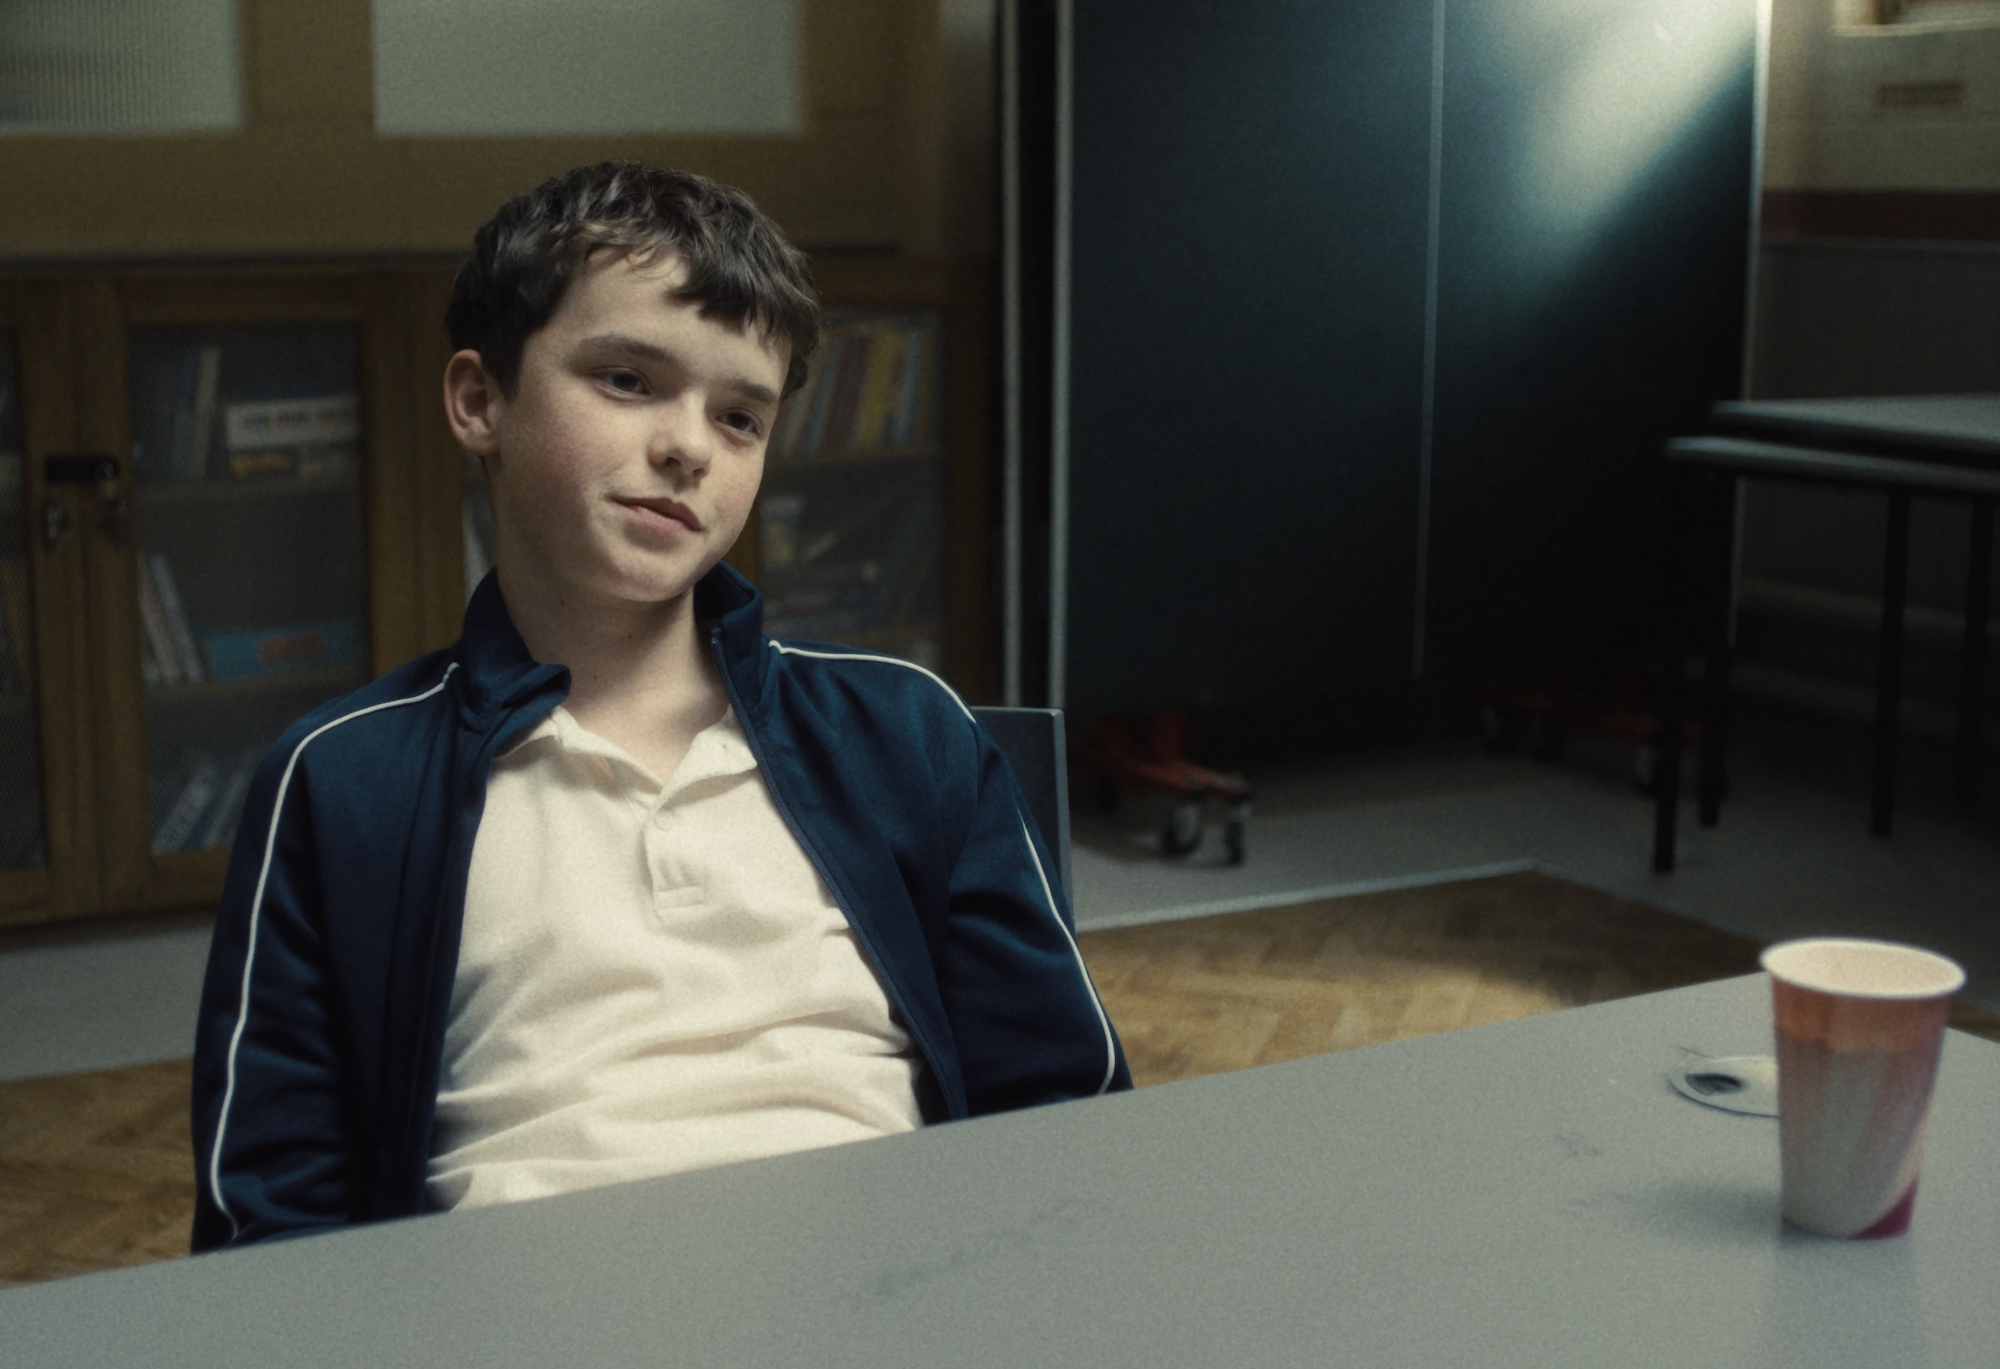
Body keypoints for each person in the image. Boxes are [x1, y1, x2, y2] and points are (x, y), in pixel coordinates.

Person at [190, 161, 1129, 1252]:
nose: (688, 444)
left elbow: (1065, 1101)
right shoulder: (341, 779)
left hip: (890, 1285)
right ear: (478, 401)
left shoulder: (902, 727)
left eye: (739, 417)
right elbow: (268, 1216)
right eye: (628, 380)